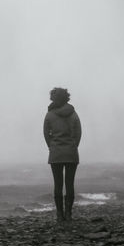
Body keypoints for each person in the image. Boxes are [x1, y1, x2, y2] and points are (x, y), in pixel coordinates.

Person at [43, 86, 81, 221]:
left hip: (56, 154)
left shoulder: (49, 114)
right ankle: (69, 215)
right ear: (67, 97)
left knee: (58, 184)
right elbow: (78, 133)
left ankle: (60, 215)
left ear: (53, 98)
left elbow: (46, 134)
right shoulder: (73, 113)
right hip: (71, 153)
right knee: (70, 184)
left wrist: (52, 147)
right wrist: (73, 146)